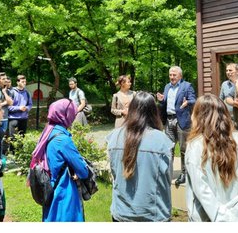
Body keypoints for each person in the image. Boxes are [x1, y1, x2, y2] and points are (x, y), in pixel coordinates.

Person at [185, 94, 238, 221]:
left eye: (193, 112)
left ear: (198, 117)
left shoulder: (195, 147)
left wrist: (223, 218)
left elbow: (202, 191)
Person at [107, 91, 173, 221]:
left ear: (131, 110)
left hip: (121, 213)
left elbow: (114, 173)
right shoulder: (162, 141)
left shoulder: (114, 137)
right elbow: (168, 178)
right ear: (154, 112)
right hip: (153, 214)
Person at [34, 99, 91, 222]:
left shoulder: (49, 131)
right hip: (63, 192)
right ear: (64, 115)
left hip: (50, 189)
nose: (74, 117)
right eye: (72, 114)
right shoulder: (63, 139)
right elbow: (83, 171)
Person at [156, 66, 196, 186]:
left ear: (180, 76)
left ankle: (184, 173)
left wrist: (188, 102)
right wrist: (162, 100)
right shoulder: (167, 86)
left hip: (182, 120)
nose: (172, 77)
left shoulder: (187, 86)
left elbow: (194, 99)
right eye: (170, 75)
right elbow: (165, 103)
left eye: (174, 75)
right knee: (168, 148)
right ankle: (168, 172)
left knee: (184, 149)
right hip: (169, 120)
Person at [8, 74, 32, 149]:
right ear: (17, 82)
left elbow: (30, 104)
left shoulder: (27, 93)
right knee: (13, 138)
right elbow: (8, 107)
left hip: (24, 118)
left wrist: (27, 108)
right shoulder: (11, 92)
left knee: (22, 138)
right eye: (22, 81)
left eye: (25, 82)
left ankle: (20, 154)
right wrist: (19, 108)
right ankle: (12, 155)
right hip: (13, 119)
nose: (24, 83)